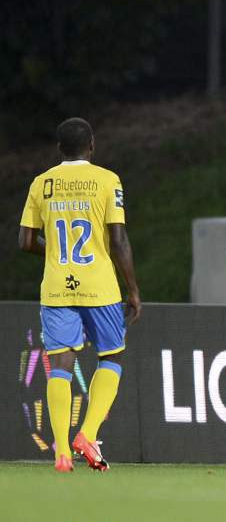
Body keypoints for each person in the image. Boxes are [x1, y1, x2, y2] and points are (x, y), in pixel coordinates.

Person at [19, 117, 141, 472]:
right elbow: (118, 239)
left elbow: (25, 242)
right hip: (99, 286)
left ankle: (60, 454)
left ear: (59, 149)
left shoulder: (41, 184)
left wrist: (56, 250)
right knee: (112, 357)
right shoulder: (107, 180)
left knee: (60, 365)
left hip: (57, 286)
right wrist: (132, 289)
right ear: (92, 145)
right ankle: (87, 433)